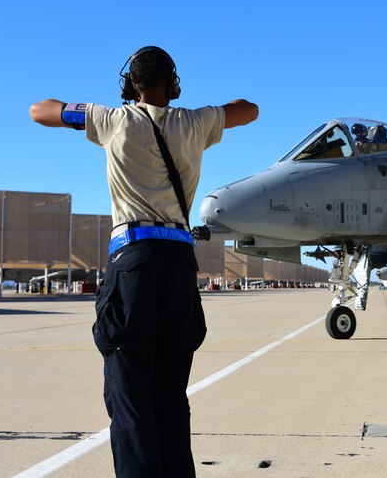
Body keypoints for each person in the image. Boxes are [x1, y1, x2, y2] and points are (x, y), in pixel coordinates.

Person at [29, 45, 258, 477]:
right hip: (178, 262)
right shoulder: (194, 122)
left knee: (131, 395)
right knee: (171, 394)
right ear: (173, 85)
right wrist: (213, 112)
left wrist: (84, 111)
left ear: (130, 84)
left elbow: (40, 110)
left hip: (133, 263)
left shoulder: (110, 120)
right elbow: (249, 110)